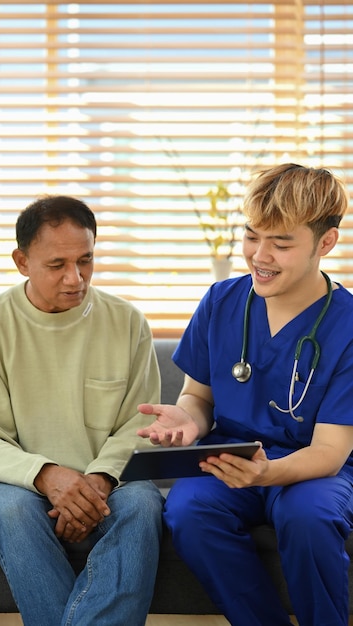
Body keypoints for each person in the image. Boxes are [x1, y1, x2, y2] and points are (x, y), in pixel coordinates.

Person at [137, 163, 353, 626]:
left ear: (326, 242)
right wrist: (190, 420)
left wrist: (267, 474)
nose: (260, 255)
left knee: (308, 520)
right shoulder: (222, 300)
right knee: (188, 509)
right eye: (253, 236)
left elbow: (331, 452)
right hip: (232, 456)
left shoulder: (348, 325)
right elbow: (199, 396)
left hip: (313, 468)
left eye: (281, 242)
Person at [0, 195, 164, 626]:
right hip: (14, 481)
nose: (75, 278)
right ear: (22, 261)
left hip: (109, 479)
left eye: (85, 260)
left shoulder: (127, 322)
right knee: (12, 511)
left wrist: (97, 482)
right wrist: (49, 476)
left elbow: (139, 422)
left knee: (143, 505)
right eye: (57, 265)